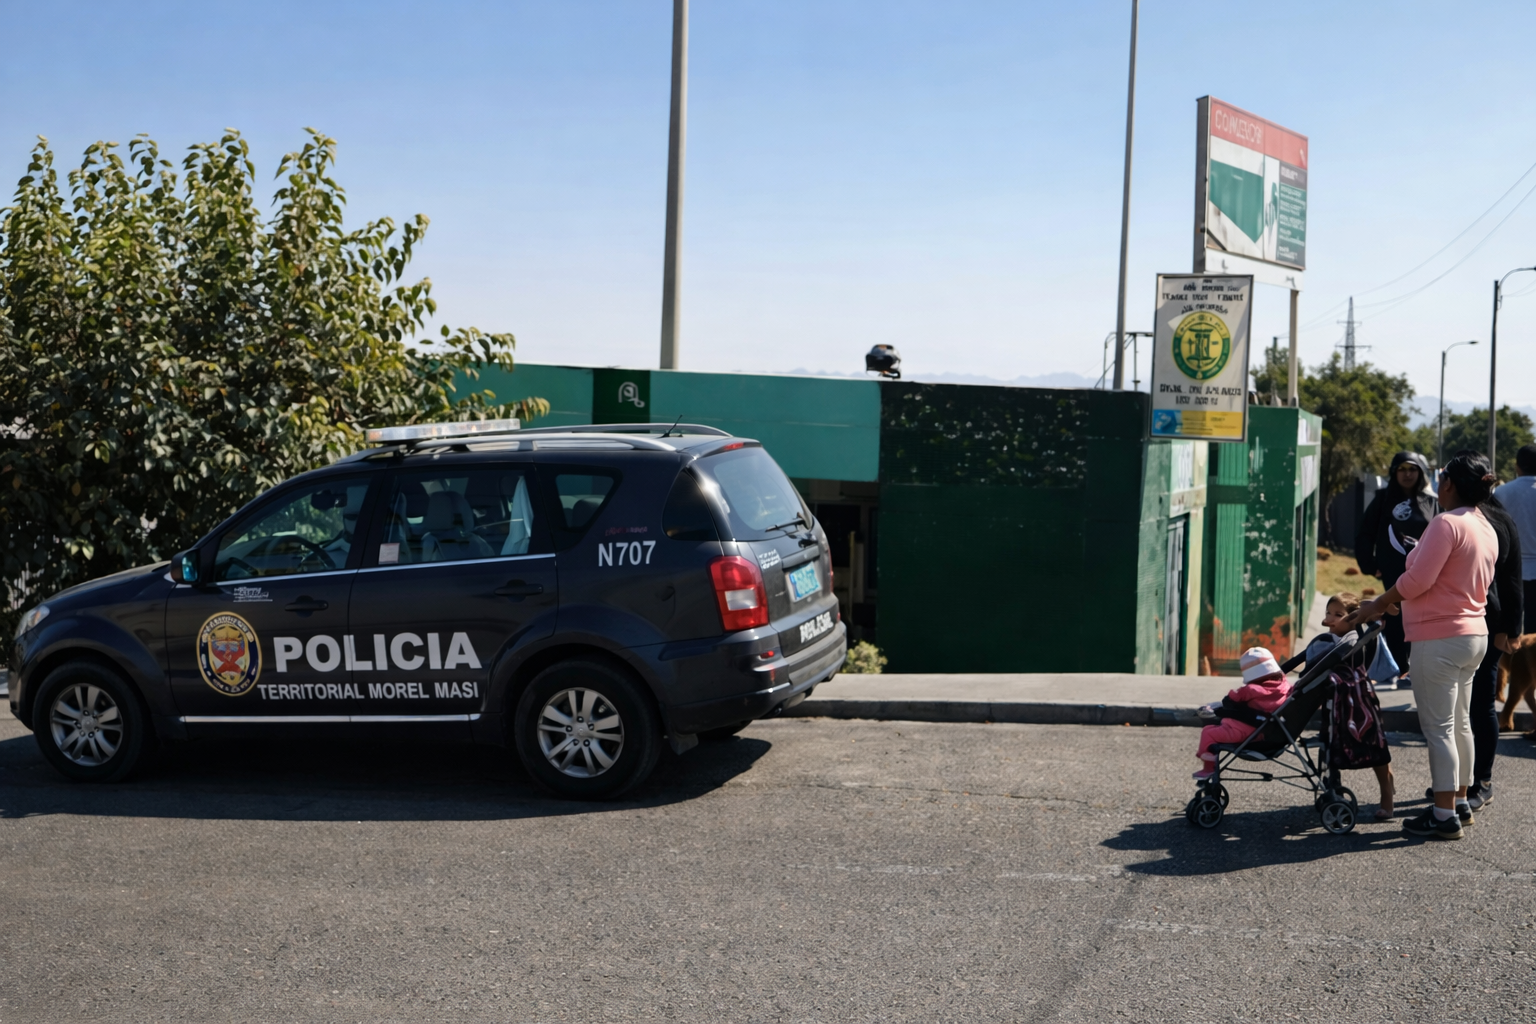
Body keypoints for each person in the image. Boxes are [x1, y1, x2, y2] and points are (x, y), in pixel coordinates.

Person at [1347, 453, 1499, 841]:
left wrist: (1379, 603)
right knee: (1460, 723)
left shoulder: (1446, 523)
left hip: (1438, 638)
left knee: (1439, 728)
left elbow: (1417, 580)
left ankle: (1444, 814)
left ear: (1448, 484)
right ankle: (1459, 802)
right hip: (1473, 635)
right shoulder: (1484, 525)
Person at [1458, 450, 1522, 808]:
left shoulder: (1495, 519)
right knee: (1461, 708)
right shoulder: (1462, 516)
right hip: (1462, 626)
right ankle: (1458, 782)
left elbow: (1511, 579)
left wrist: (1511, 629)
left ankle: (1481, 780)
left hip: (1488, 624)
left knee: (1481, 704)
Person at [1355, 452, 1439, 685]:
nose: (1407, 474)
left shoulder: (1432, 501)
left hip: (1425, 572)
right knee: (1396, 617)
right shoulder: (1383, 499)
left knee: (1424, 617)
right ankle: (1401, 668)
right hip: (1393, 571)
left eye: (1412, 469)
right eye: (1402, 469)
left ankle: (1419, 668)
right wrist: (1370, 564)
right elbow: (1365, 533)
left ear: (1420, 472)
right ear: (1394, 472)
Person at [1310, 593, 1394, 819]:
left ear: (1353, 618)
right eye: (1328, 613)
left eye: (1338, 614)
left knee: (1376, 748)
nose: (1331, 618)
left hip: (1360, 702)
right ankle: (1333, 787)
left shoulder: (1359, 639)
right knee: (1331, 745)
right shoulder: (1325, 642)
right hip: (1335, 703)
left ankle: (1387, 792)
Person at [1193, 648, 1292, 780]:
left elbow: (1230, 699)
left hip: (1244, 732)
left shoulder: (1251, 690)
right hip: (1265, 731)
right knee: (1212, 729)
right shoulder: (1284, 686)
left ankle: (1209, 768)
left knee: (1208, 732)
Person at [1494, 443, 1536, 739]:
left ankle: (1502, 696)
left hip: (1510, 573)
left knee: (1509, 638)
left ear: (1517, 465)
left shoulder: (1502, 493)